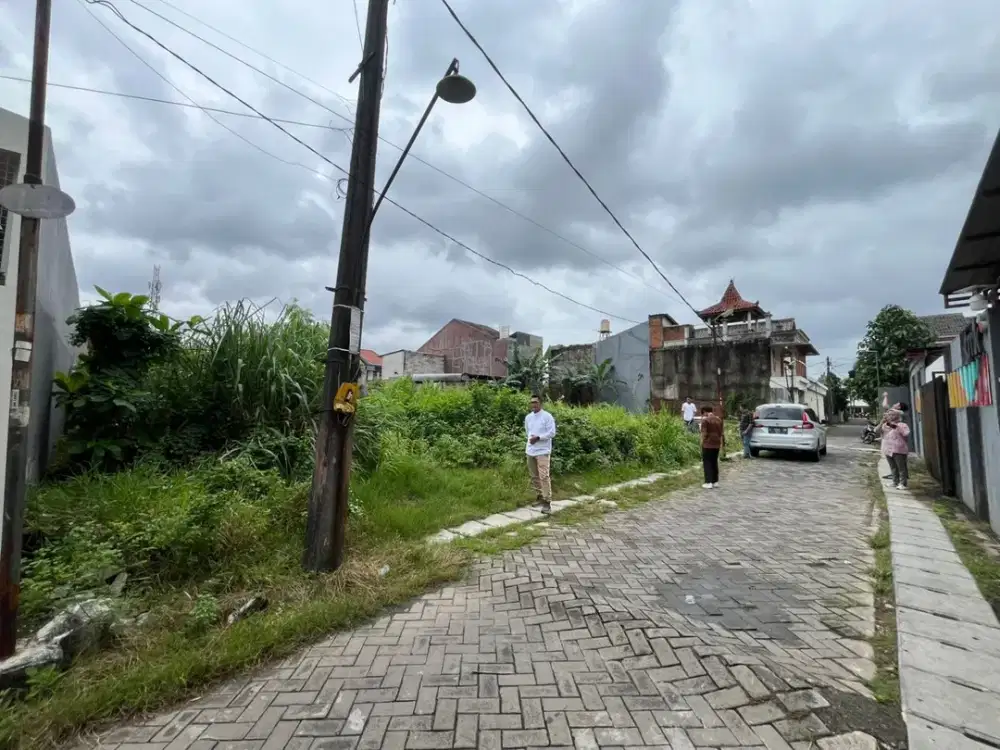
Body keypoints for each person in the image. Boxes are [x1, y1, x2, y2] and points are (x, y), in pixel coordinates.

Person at [524, 394, 557, 514]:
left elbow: (552, 433)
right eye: (531, 402)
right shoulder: (528, 417)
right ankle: (540, 496)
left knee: (544, 476)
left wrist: (538, 438)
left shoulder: (547, 416)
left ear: (540, 403)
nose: (533, 404)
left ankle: (547, 502)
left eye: (535, 402)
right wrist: (533, 439)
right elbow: (528, 432)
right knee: (534, 476)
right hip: (530, 450)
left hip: (543, 451)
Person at [882, 402, 911, 490]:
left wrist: (895, 426)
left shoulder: (902, 425)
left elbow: (906, 434)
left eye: (892, 415)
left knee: (901, 468)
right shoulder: (887, 425)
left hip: (899, 450)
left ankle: (903, 483)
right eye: (889, 415)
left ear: (897, 416)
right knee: (893, 467)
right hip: (888, 449)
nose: (890, 416)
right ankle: (895, 482)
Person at [700, 405, 724, 489]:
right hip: (717, 444)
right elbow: (721, 433)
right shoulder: (719, 420)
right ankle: (715, 481)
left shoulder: (705, 421)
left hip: (708, 444)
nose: (703, 416)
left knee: (707, 463)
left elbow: (704, 434)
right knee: (714, 462)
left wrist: (701, 443)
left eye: (703, 414)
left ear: (705, 412)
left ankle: (708, 482)